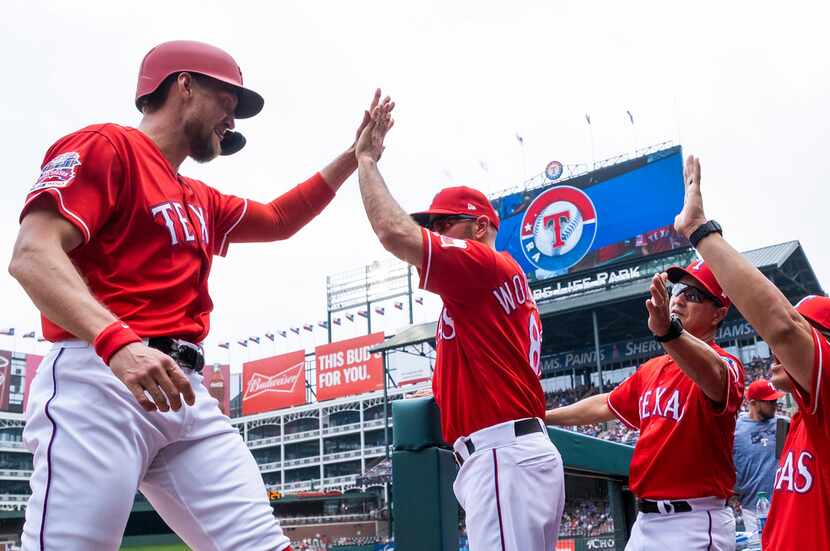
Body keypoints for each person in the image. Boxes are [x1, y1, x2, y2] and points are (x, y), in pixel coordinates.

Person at [9, 40, 376, 550]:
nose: (233, 117)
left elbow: (278, 219)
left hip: (183, 389)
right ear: (184, 84)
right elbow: (32, 254)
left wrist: (353, 159)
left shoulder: (198, 196)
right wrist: (116, 341)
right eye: (228, 99)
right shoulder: (106, 145)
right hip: (99, 377)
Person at [354, 96, 565, 550]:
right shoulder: (492, 283)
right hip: (513, 454)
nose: (432, 235)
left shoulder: (482, 264)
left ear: (476, 228)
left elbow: (393, 232)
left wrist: (366, 160)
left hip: (501, 455)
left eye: (441, 225)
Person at [674, 155, 830, 550]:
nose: (778, 348)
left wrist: (700, 232)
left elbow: (782, 327)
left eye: (805, 333)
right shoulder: (801, 421)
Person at [546, 261, 744, 550]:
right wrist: (544, 416)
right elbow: (605, 404)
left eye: (694, 295)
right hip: (645, 522)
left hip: (695, 521)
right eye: (678, 291)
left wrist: (668, 332)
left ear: (719, 314)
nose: (679, 299)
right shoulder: (653, 368)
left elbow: (713, 375)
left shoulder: (727, 364)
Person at [732, 378, 785, 533]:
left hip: (783, 504)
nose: (775, 405)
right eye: (770, 402)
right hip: (752, 508)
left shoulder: (783, 424)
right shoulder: (735, 430)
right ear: (753, 403)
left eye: (775, 401)